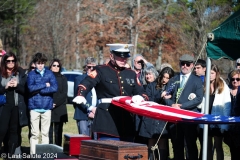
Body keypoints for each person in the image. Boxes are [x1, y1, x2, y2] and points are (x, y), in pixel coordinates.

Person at [73, 43, 148, 141]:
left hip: (126, 121)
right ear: (112, 56)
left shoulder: (131, 74)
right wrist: (81, 94)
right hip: (107, 120)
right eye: (120, 57)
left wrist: (141, 97)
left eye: (125, 57)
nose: (124, 59)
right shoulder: (101, 70)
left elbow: (143, 93)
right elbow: (86, 83)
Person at [164, 54, 204, 160]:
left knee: (190, 145)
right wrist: (172, 104)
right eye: (183, 63)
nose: (185, 66)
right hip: (174, 118)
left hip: (189, 118)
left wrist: (182, 107)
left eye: (188, 64)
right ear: (180, 64)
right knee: (177, 145)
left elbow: (199, 98)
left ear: (192, 65)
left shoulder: (197, 80)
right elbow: (166, 95)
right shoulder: (174, 79)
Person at [138, 67, 174, 160]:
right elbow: (149, 99)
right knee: (151, 141)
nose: (165, 80)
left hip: (163, 118)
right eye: (164, 77)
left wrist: (169, 99)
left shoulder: (172, 87)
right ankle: (150, 158)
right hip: (152, 117)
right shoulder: (152, 86)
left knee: (162, 142)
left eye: (167, 78)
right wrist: (160, 96)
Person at [198, 64, 231, 160]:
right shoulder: (203, 84)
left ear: (216, 74)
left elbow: (227, 105)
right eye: (208, 73)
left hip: (218, 120)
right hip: (206, 120)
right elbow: (201, 104)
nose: (210, 75)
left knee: (218, 146)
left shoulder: (222, 85)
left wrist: (224, 124)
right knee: (207, 147)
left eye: (212, 73)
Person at [27, 52, 58, 154]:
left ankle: (45, 154)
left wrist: (41, 90)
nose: (40, 65)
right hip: (34, 107)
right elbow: (31, 88)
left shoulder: (50, 73)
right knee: (34, 134)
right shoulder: (31, 74)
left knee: (45, 134)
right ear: (35, 64)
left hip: (47, 108)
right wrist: (45, 84)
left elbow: (54, 87)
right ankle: (33, 154)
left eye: (42, 63)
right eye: (38, 63)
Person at [0, 52, 29, 157]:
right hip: (4, 107)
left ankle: (11, 154)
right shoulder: (1, 73)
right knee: (2, 130)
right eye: (8, 61)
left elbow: (26, 90)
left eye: (13, 61)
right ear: (5, 62)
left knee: (14, 131)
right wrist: (5, 87)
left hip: (17, 107)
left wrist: (17, 85)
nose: (11, 63)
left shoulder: (20, 73)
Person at [73, 57, 97, 137]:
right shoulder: (79, 79)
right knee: (84, 140)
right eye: (89, 67)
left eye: (94, 67)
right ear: (86, 67)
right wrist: (89, 109)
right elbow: (77, 98)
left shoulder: (99, 80)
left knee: (96, 141)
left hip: (96, 114)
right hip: (83, 114)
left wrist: (95, 111)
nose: (91, 69)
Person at [48, 59, 68, 146]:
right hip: (48, 106)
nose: (56, 67)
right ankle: (49, 149)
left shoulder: (63, 78)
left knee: (58, 131)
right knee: (48, 131)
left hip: (59, 107)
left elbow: (64, 93)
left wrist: (55, 103)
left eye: (58, 66)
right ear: (50, 66)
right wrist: (50, 103)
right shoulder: (46, 77)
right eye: (54, 65)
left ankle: (58, 150)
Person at [223, 69, 240, 160]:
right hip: (230, 126)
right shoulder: (226, 91)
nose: (235, 81)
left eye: (238, 79)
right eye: (233, 79)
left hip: (239, 126)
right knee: (232, 150)